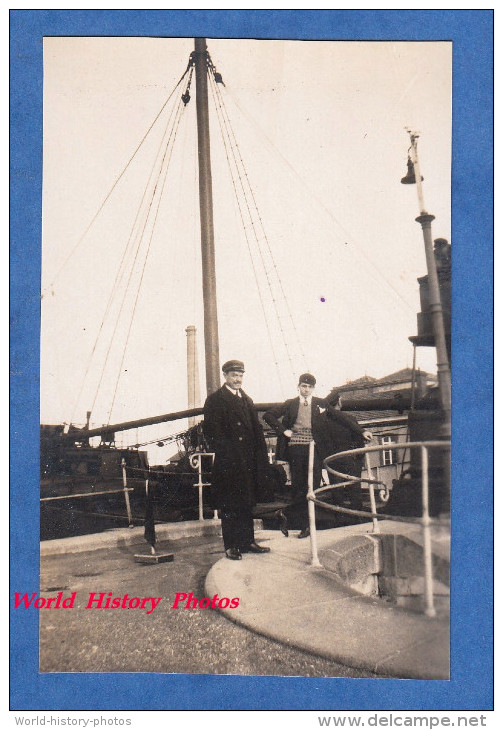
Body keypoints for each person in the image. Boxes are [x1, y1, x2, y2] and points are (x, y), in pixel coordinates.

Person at [264, 376, 372, 537]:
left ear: (313, 388)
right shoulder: (291, 403)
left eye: (309, 387)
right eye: (303, 386)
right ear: (298, 387)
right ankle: (302, 524)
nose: (306, 389)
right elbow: (269, 416)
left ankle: (289, 516)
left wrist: (362, 431)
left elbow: (340, 416)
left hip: (314, 449)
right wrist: (284, 431)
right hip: (296, 449)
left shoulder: (320, 403)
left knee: (312, 486)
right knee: (298, 486)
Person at [203, 360, 271, 560]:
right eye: (234, 375)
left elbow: (256, 430)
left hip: (248, 461)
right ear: (225, 376)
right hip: (229, 463)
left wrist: (260, 457)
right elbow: (212, 432)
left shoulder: (247, 400)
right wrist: (229, 454)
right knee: (230, 504)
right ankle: (231, 545)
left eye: (240, 375)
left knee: (247, 502)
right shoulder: (216, 400)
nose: (238, 379)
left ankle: (247, 541)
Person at [316, 392, 373, 513]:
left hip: (331, 459)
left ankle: (339, 515)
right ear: (338, 402)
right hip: (349, 459)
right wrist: (359, 458)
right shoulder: (349, 419)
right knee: (354, 487)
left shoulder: (320, 421)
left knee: (336, 489)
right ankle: (357, 514)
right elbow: (359, 441)